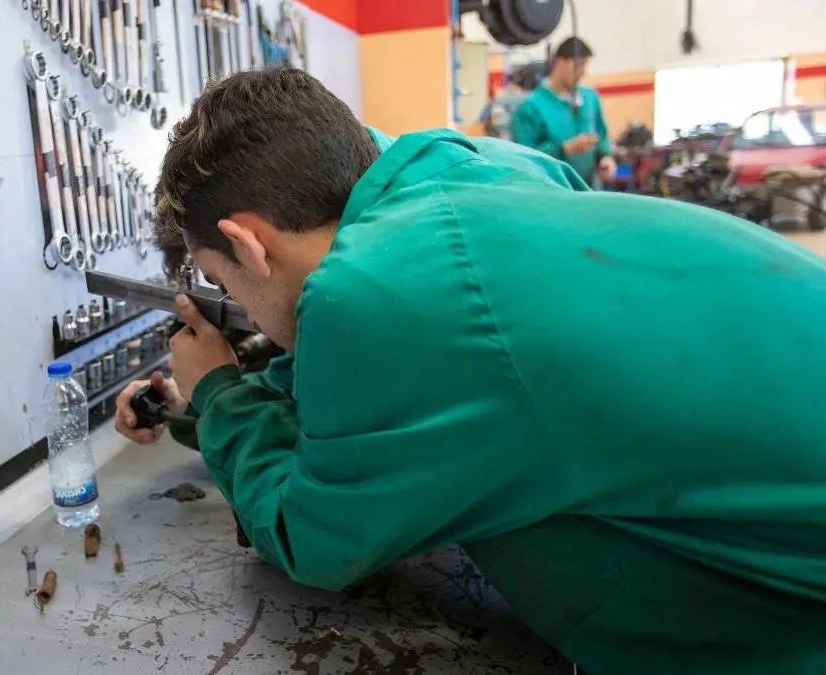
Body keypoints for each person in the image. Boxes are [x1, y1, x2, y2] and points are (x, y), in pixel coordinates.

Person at [114, 67, 826, 673]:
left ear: (247, 242)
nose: (231, 301)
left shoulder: (372, 290)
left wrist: (219, 390)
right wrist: (193, 401)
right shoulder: (479, 167)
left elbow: (316, 534)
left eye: (221, 279)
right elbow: (436, 389)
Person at [512, 37, 616, 187]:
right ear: (560, 62)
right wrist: (563, 149)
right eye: (578, 66)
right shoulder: (531, 107)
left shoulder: (590, 98)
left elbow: (601, 134)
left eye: (584, 66)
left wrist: (606, 157)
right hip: (552, 190)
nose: (582, 72)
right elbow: (524, 156)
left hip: (589, 190)